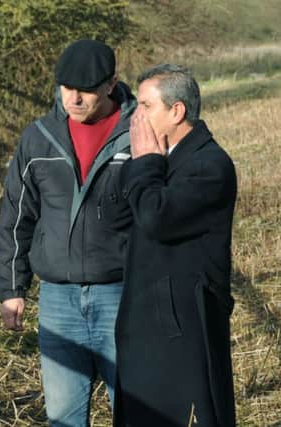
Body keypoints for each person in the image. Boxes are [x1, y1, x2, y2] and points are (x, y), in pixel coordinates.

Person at [0, 39, 136, 426]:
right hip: (58, 301)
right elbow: (16, 215)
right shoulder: (38, 138)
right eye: (66, 86)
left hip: (124, 296)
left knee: (135, 410)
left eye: (86, 89)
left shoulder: (141, 135)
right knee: (63, 418)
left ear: (111, 84)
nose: (74, 97)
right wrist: (12, 289)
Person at [111, 64, 237, 426]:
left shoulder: (209, 166)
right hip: (147, 320)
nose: (137, 116)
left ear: (176, 110)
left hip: (182, 327)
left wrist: (148, 163)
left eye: (146, 106)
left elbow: (156, 217)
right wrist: (138, 160)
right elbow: (117, 216)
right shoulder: (163, 157)